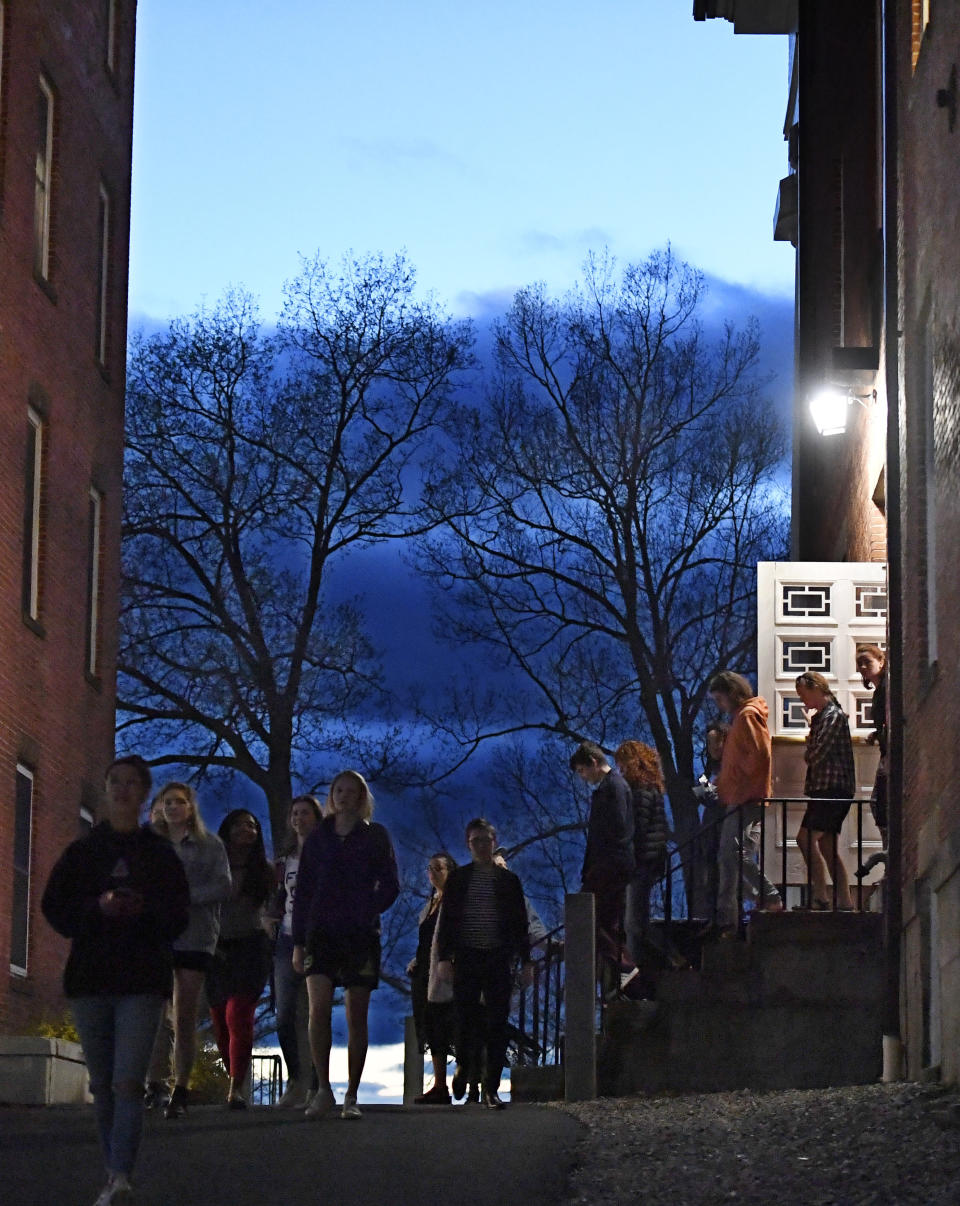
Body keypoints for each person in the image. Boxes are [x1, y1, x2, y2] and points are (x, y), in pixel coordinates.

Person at [41, 755, 190, 1206]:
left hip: (142, 978)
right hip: (91, 977)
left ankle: (121, 1174)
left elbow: (179, 915)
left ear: (145, 794)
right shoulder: (83, 853)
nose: (123, 790)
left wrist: (141, 910)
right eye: (115, 783)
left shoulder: (160, 855)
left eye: (131, 783)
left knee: (128, 1082)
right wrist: (96, 909)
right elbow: (55, 907)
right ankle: (111, 1170)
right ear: (106, 790)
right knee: (103, 1082)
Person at [292, 770, 400, 1121]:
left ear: (361, 796)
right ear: (331, 795)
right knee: (318, 1009)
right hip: (320, 933)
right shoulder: (318, 839)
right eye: (338, 790)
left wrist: (366, 908)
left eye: (351, 791)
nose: (344, 796)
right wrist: (298, 941)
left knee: (357, 1013)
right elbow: (304, 892)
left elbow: (390, 885)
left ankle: (352, 1093)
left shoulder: (375, 836)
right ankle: (322, 1088)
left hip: (360, 934)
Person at [147, 782, 232, 1119]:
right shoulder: (151, 844)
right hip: (156, 935)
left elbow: (223, 885)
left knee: (184, 1014)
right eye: (167, 802)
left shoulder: (209, 845)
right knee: (155, 1011)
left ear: (191, 808)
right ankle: (157, 1082)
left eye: (179, 802)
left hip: (195, 935)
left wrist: (185, 896)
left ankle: (181, 1085)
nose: (173, 808)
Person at [435, 819, 533, 1110]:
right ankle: (464, 1065)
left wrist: (526, 961)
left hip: (497, 956)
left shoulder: (508, 881)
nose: (481, 845)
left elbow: (520, 923)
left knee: (497, 1023)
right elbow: (448, 921)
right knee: (465, 1020)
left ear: (494, 842)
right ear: (468, 844)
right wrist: (443, 958)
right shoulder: (459, 879)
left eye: (485, 840)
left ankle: (491, 1088)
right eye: (475, 840)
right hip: (466, 956)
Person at [208, 809, 273, 1109]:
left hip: (252, 946)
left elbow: (274, 910)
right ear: (228, 829)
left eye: (252, 825)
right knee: (220, 1020)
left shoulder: (265, 871)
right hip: (216, 947)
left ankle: (236, 1088)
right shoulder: (214, 865)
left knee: (239, 1013)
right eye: (240, 824)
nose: (247, 829)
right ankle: (235, 1075)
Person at [709, 672, 783, 933]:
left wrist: (739, 785)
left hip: (745, 798)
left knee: (732, 855)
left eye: (720, 698)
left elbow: (759, 755)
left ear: (731, 693)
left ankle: (766, 897)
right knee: (732, 856)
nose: (720, 705)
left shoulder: (746, 717)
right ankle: (732, 913)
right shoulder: (742, 718)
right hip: (744, 796)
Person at [569, 740, 638, 993]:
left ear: (594, 763)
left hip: (610, 864)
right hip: (609, 863)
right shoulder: (612, 788)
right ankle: (620, 973)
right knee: (607, 921)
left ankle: (624, 965)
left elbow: (616, 828)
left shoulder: (614, 787)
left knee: (589, 919)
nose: (583, 777)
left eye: (582, 771)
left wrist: (599, 864)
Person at [267, 794, 323, 1108]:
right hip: (286, 938)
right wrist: (269, 915)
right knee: (285, 1012)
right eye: (295, 814)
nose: (299, 818)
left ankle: (318, 1083)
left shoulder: (326, 853)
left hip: (318, 937)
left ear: (316, 817)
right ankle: (296, 1079)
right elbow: (276, 896)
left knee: (316, 1012)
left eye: (305, 813)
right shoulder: (285, 860)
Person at [794, 671, 856, 910]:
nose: (802, 700)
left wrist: (810, 748)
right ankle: (845, 900)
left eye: (803, 694)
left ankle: (820, 895)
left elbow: (816, 754)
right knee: (827, 845)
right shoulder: (823, 718)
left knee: (805, 838)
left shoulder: (832, 716)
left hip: (833, 789)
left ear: (816, 688)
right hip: (827, 788)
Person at [615, 740, 668, 992]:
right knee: (635, 922)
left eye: (622, 764)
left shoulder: (639, 791)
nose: (620, 770)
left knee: (635, 923)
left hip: (642, 862)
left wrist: (629, 859)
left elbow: (638, 828)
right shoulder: (650, 788)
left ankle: (662, 962)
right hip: (648, 860)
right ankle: (640, 973)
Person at [408, 852, 459, 1105]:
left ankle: (465, 1078)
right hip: (425, 972)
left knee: (451, 1024)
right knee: (432, 1028)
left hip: (446, 970)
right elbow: (426, 940)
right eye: (430, 868)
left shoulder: (456, 902)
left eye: (438, 868)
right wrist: (417, 961)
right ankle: (439, 1085)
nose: (433, 873)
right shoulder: (430, 904)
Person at [855, 644, 888, 845]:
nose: (863, 667)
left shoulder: (887, 687)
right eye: (859, 664)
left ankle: (890, 855)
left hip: (890, 754)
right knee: (879, 804)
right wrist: (876, 733)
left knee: (880, 803)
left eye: (867, 661)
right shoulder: (878, 691)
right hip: (885, 751)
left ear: (881, 661)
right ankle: (888, 854)